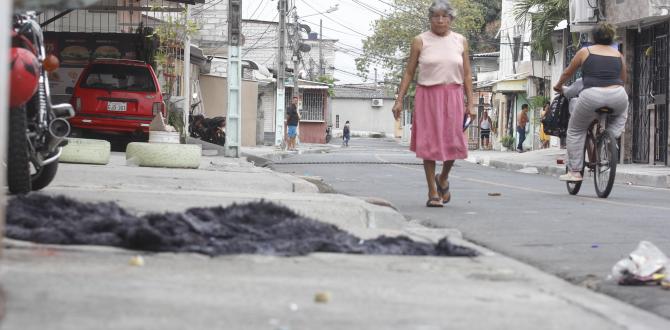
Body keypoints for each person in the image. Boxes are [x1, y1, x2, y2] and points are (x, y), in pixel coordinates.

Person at [391, 0, 474, 208]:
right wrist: (399, 99)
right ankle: (432, 191)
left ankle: (443, 177)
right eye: (435, 16)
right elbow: (409, 72)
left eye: (444, 16)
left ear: (450, 19)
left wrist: (470, 103)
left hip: (453, 95)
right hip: (427, 95)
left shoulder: (460, 41)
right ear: (430, 19)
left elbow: (467, 73)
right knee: (429, 144)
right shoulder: (420, 41)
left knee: (454, 142)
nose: (439, 20)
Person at [553, 22, 628, 182]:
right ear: (611, 37)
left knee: (575, 131)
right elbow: (623, 80)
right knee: (621, 114)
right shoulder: (619, 55)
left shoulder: (585, 52)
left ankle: (575, 172)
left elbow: (568, 72)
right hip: (618, 95)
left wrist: (558, 86)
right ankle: (610, 139)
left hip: (591, 97)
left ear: (594, 36)